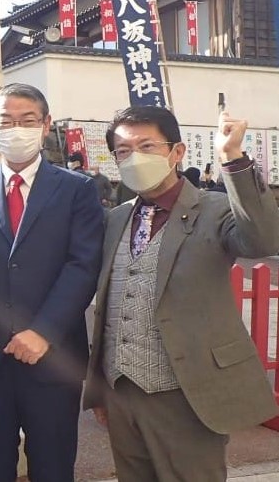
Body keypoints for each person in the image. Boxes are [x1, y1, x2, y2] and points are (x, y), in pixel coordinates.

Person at [84, 108, 279, 482]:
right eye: (123, 150)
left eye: (146, 146)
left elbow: (263, 239)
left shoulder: (215, 209)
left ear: (177, 152)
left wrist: (232, 159)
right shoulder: (116, 218)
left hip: (188, 392)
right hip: (122, 390)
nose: (134, 157)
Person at [0, 83, 104, 481]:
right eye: (5, 121)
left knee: (53, 466)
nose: (16, 129)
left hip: (53, 355)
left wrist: (42, 331)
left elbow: (83, 267)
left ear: (46, 125)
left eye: (27, 120)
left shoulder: (76, 189)